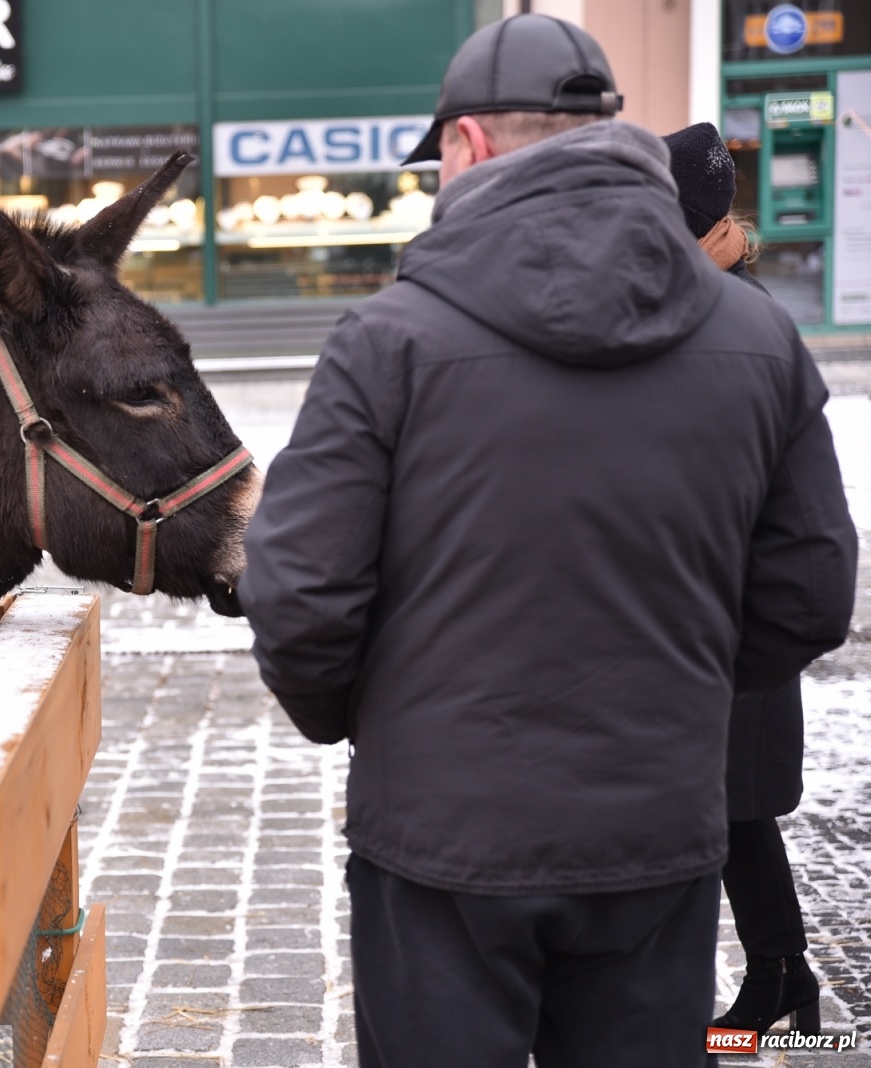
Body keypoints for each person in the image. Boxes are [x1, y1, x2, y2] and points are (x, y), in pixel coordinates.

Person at [239, 15, 858, 1068]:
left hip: (439, 840)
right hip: (656, 830)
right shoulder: (759, 336)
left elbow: (298, 597)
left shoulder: (386, 341)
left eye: (438, 157)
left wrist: (381, 728)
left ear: (471, 144)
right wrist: (677, 692)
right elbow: (808, 593)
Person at [663, 120, 821, 1035]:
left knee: (729, 806)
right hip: (710, 605)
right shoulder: (721, 307)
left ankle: (777, 981)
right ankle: (782, 977)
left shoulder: (742, 322)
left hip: (736, 608)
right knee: (732, 809)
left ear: (713, 230)